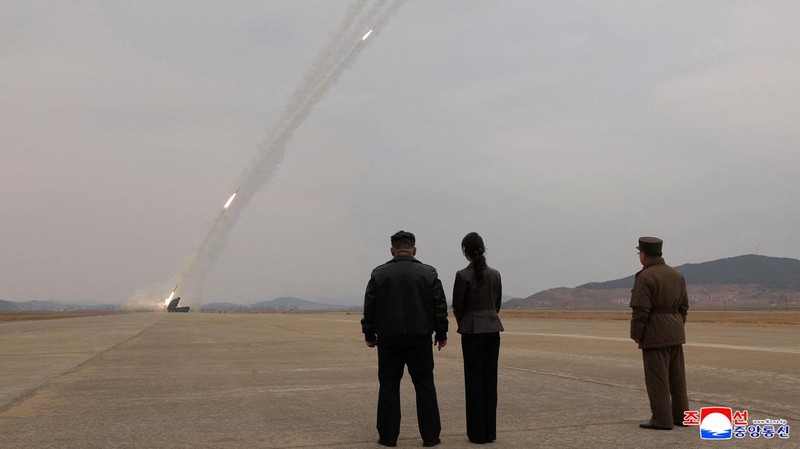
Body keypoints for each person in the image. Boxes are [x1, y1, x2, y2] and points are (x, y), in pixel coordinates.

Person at [361, 230, 449, 447]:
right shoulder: (429, 274)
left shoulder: (378, 274)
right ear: (414, 249)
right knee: (425, 385)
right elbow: (440, 306)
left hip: (389, 339)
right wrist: (441, 333)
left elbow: (369, 307)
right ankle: (430, 436)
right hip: (419, 338)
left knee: (389, 385)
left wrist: (369, 334)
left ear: (392, 250)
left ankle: (388, 437)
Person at [630, 236, 689, 430]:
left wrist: (637, 333)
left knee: (658, 380)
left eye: (640, 253)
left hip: (655, 335)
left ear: (644, 255)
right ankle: (681, 417)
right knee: (677, 379)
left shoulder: (645, 277)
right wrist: (677, 325)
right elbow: (684, 307)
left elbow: (641, 310)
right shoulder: (676, 275)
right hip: (675, 333)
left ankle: (661, 420)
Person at [452, 232, 504, 444]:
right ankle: (490, 432)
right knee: (490, 380)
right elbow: (497, 304)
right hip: (492, 329)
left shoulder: (463, 275)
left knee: (474, 382)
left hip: (472, 331)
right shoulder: (495, 274)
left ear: (466, 252)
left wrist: (466, 322)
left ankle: (477, 433)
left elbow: (458, 306)